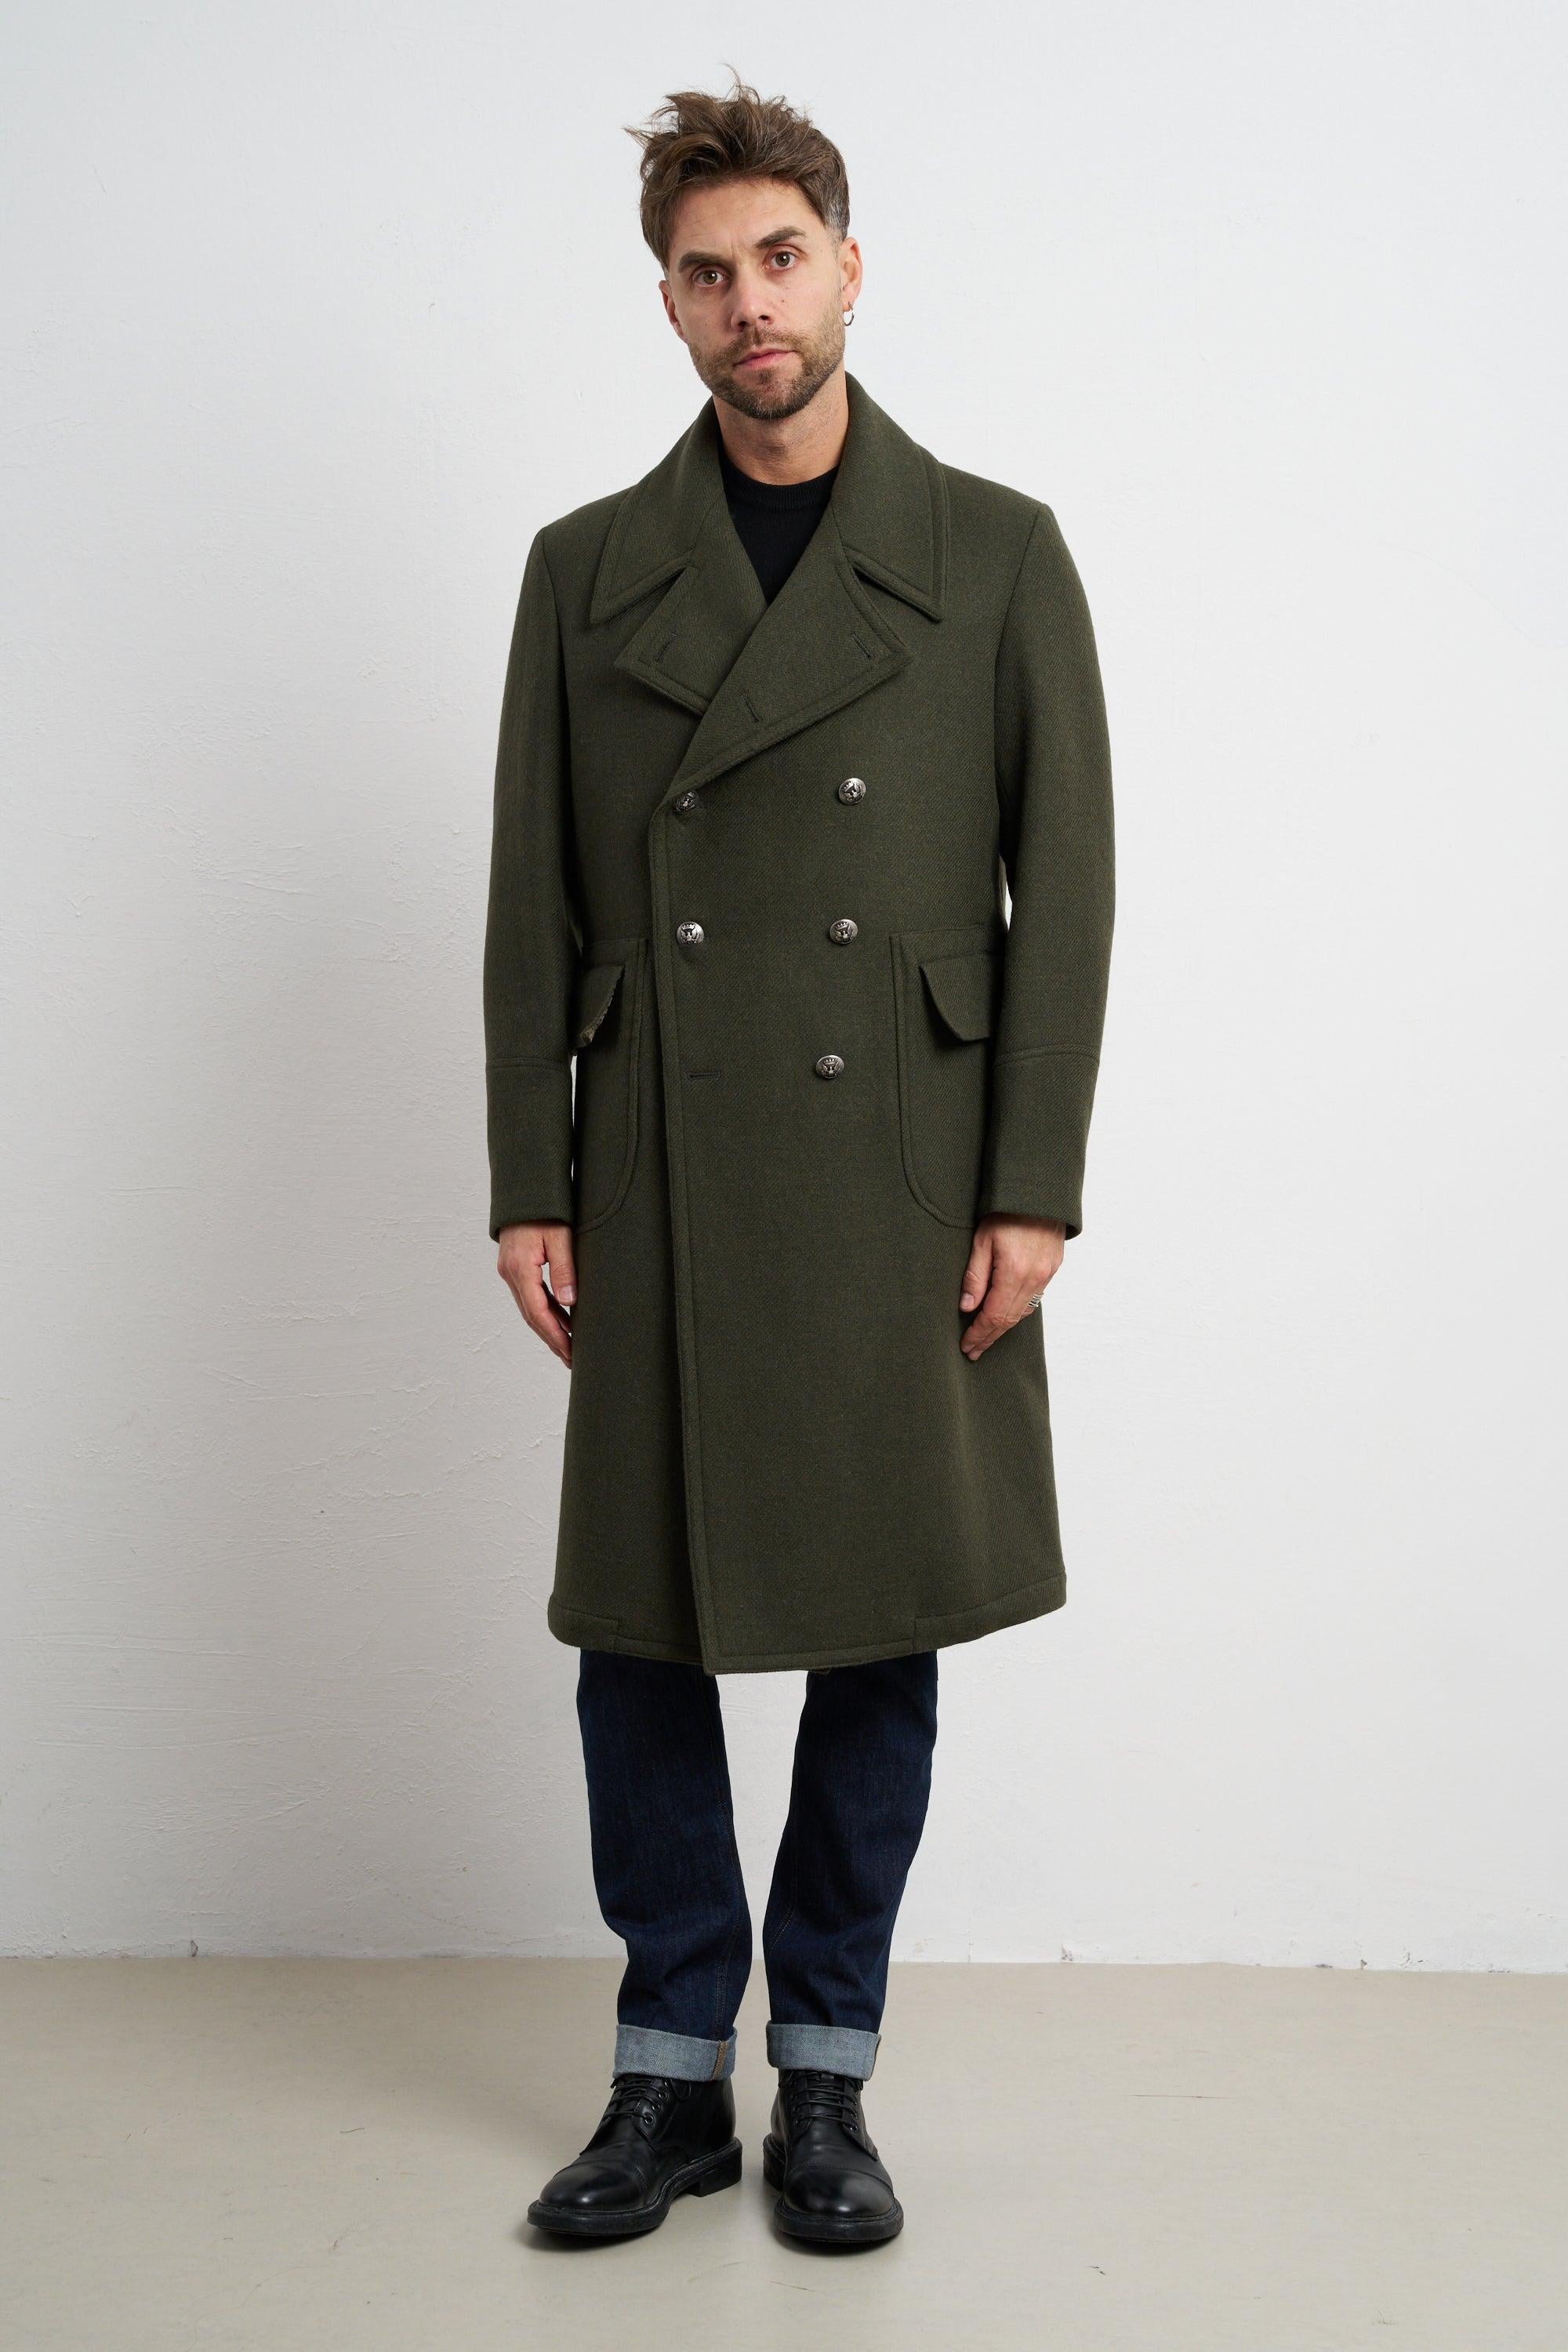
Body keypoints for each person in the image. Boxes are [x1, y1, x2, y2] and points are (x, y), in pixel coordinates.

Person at [484, 75, 1115, 2248]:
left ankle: (824, 2075)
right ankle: (669, 2076)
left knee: (880, 1621)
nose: (748, 303)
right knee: (637, 1634)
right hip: (659, 1155)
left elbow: (1066, 889)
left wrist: (1033, 1181)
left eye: (779, 258)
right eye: (705, 273)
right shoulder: (586, 572)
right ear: (666, 304)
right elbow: (533, 898)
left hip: (905, 1173)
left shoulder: (998, 552)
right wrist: (529, 1174)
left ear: (850, 268)